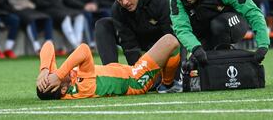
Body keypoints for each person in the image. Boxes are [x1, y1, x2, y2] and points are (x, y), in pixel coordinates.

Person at [170, 0, 270, 66]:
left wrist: (263, 44)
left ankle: (226, 58)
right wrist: (196, 48)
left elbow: (252, 11)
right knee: (195, 62)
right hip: (205, 33)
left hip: (232, 24)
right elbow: (181, 28)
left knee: (218, 25)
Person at [95, 0, 180, 93]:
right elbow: (129, 45)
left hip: (163, 43)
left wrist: (174, 76)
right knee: (102, 25)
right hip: (140, 40)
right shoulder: (117, 9)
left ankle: (169, 78)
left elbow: (176, 39)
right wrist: (139, 76)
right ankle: (113, 75)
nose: (124, 2)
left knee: (172, 40)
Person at [36, 34, 180, 100]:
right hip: (134, 80)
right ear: (62, 88)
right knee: (170, 41)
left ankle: (164, 81)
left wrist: (44, 71)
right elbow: (84, 49)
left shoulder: (60, 80)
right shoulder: (83, 87)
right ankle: (167, 84)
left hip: (127, 70)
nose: (54, 73)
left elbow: (48, 45)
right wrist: (59, 74)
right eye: (53, 77)